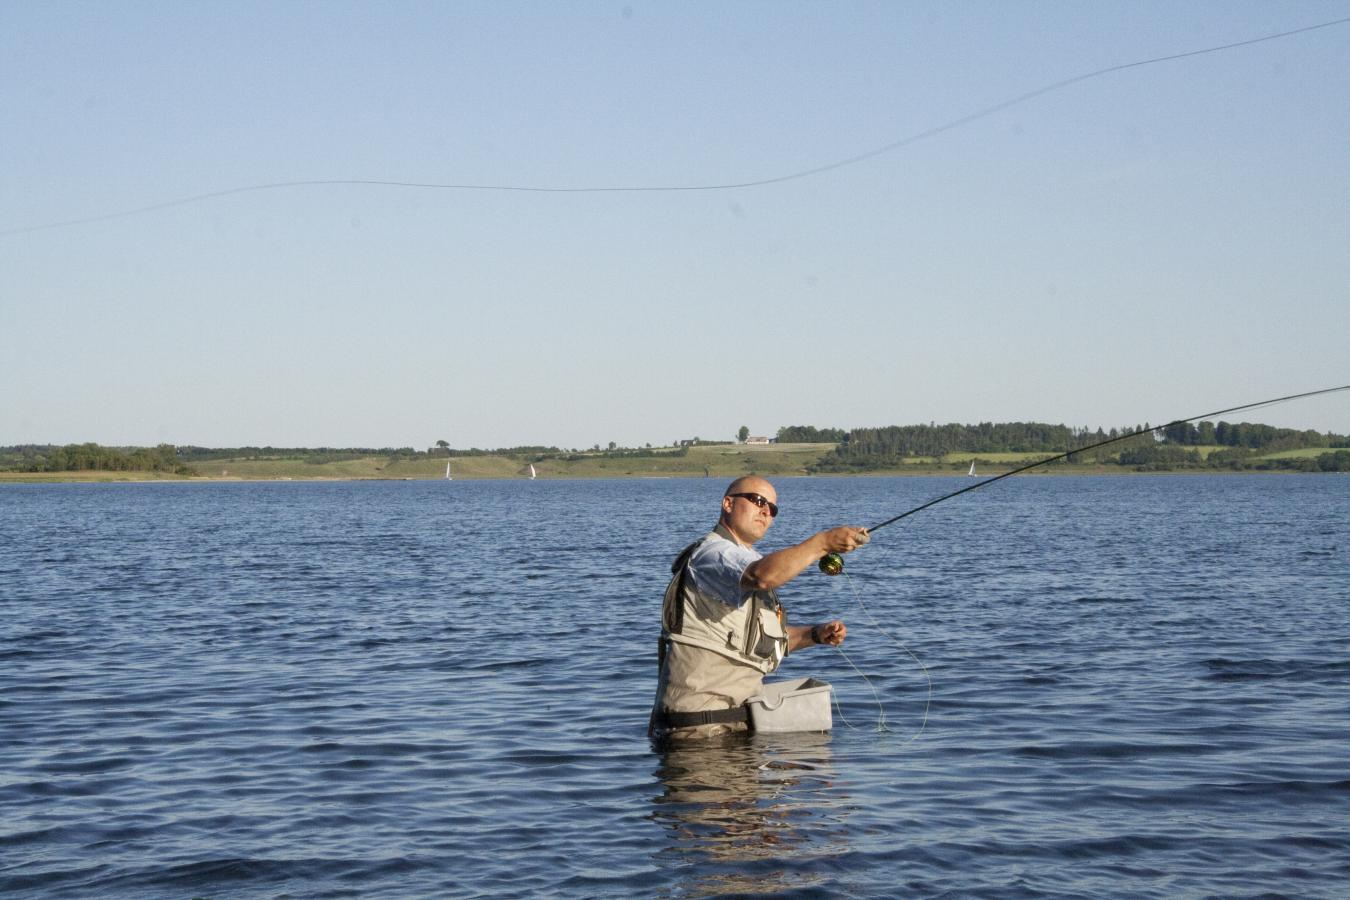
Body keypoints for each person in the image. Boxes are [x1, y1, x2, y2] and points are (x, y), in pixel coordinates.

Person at [649, 475, 870, 740]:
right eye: (757, 500)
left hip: (735, 728)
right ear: (728, 504)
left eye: (773, 509)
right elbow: (763, 576)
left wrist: (814, 634)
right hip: (697, 732)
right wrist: (823, 543)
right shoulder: (713, 553)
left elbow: (758, 642)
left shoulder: (746, 560)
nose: (766, 510)